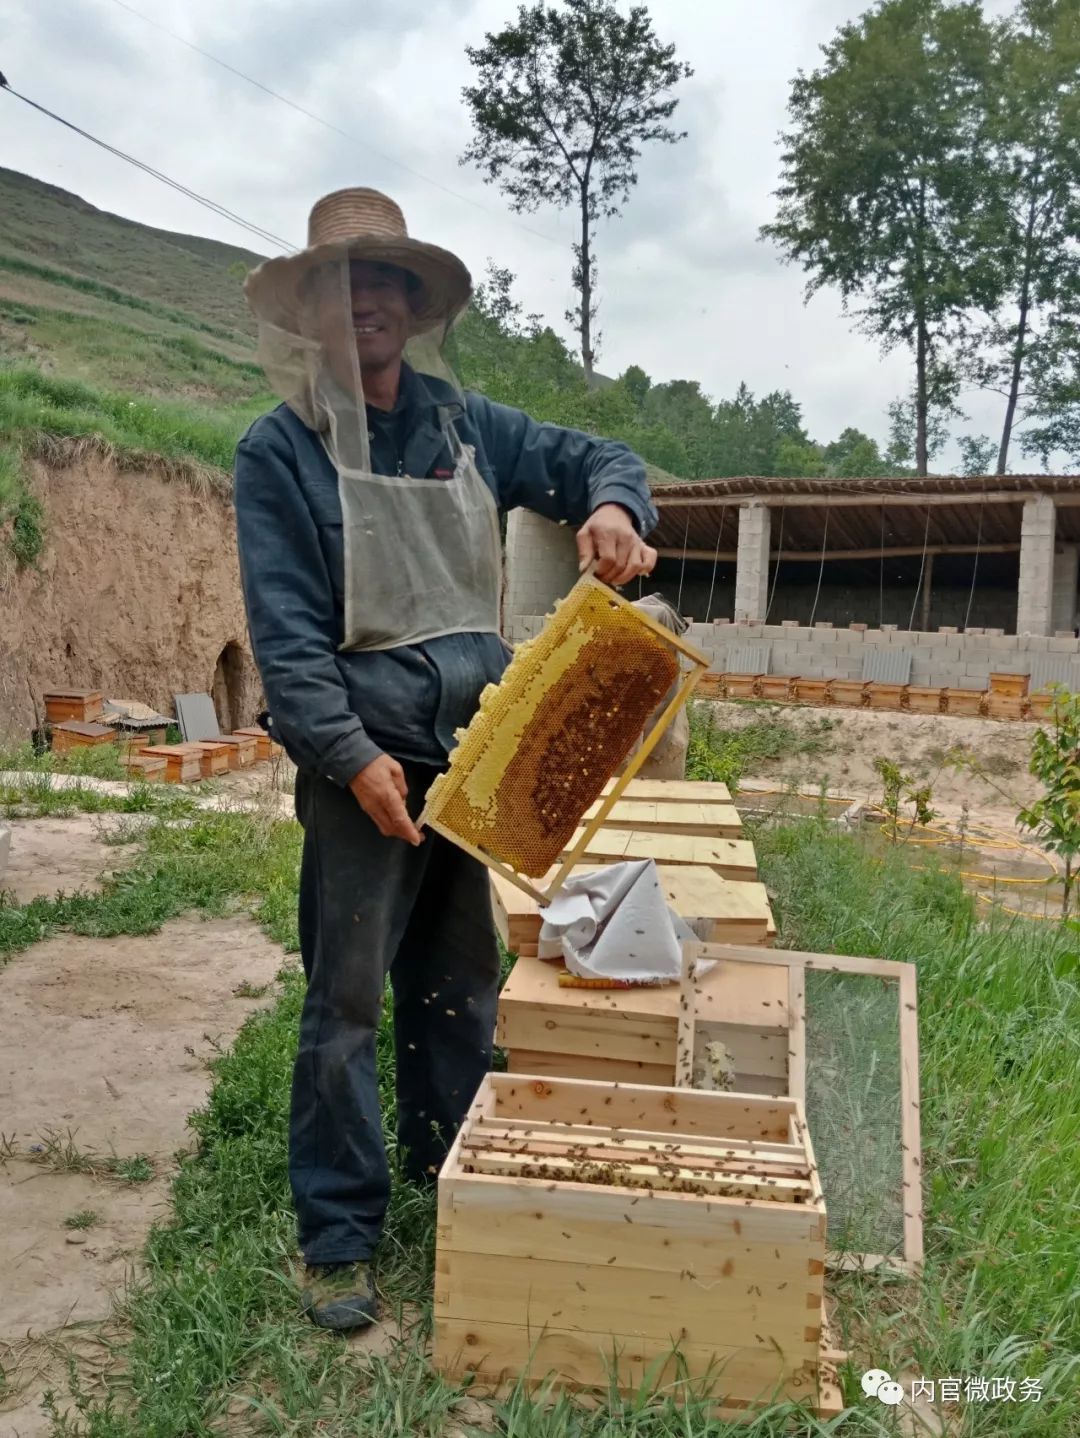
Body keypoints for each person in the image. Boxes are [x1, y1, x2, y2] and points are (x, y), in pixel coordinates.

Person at [233, 187, 658, 1331]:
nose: (362, 300)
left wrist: (614, 504)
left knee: (461, 983)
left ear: (414, 305)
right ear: (310, 311)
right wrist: (350, 755)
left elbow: (597, 455)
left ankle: (449, 1173)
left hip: (479, 763)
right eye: (338, 282)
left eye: (384, 281)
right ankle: (339, 1232)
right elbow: (285, 635)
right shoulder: (278, 452)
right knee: (349, 999)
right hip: (359, 768)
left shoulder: (469, 427)